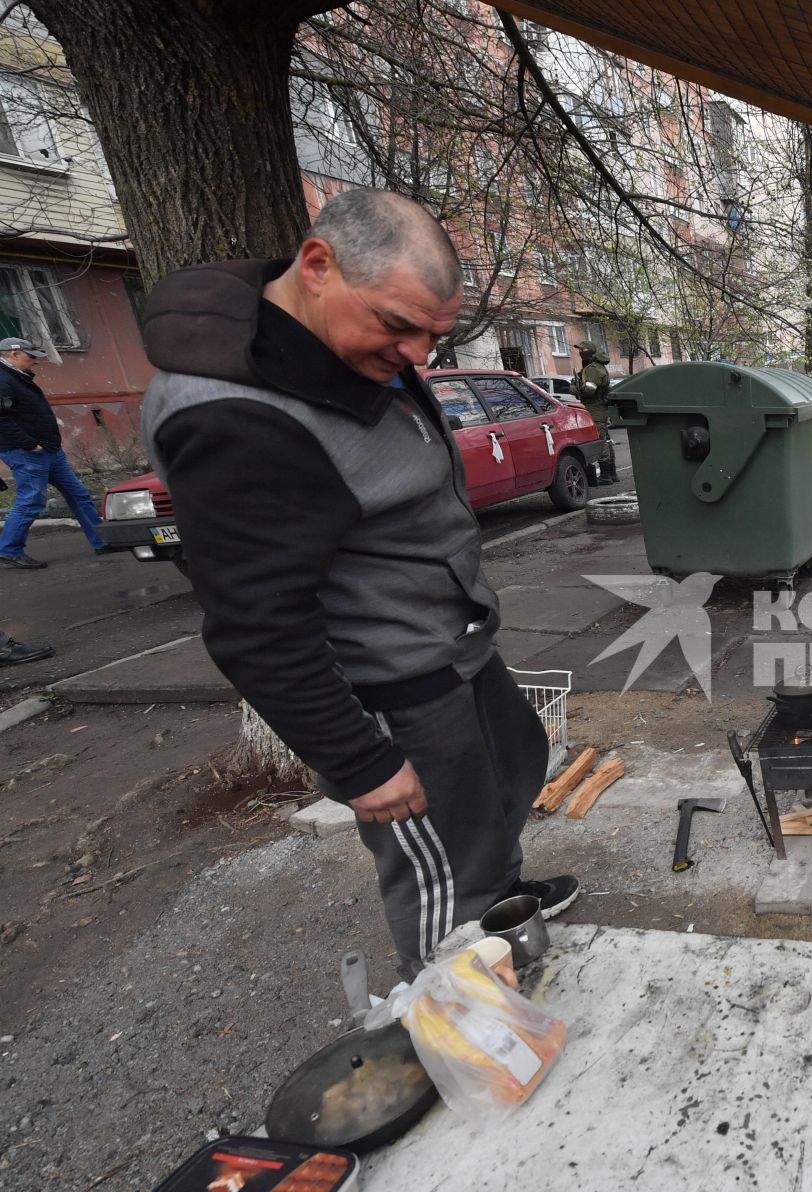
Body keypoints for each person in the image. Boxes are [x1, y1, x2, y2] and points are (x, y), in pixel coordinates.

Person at [139, 189, 579, 976]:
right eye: (398, 326)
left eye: (434, 337)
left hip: (448, 643)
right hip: (393, 683)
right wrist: (359, 761)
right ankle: (458, 1014)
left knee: (510, 775)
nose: (417, 356)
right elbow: (256, 623)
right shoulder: (233, 414)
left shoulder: (338, 343)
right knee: (441, 867)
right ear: (317, 266)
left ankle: (503, 903)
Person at [0, 336, 108, 569]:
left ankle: (103, 541)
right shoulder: (3, 379)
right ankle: (9, 549)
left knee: (79, 495)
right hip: (27, 452)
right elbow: (2, 420)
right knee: (31, 500)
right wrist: (30, 444)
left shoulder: (17, 377)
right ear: (14, 354)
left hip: (49, 450)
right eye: (31, 357)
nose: (35, 362)